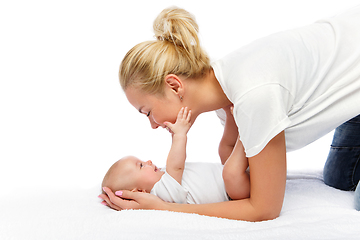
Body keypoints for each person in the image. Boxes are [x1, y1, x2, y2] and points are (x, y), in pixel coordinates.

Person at [100, 6, 360, 221]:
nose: (153, 125)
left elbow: (265, 208)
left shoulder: (252, 96)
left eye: (147, 112)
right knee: (340, 178)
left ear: (174, 86)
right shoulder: (229, 104)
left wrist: (163, 208)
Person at [101, 107, 250, 204]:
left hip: (231, 175)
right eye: (141, 165)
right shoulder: (160, 194)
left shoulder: (164, 178)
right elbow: (176, 165)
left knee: (224, 149)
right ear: (139, 191)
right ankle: (247, 130)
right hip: (235, 191)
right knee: (231, 173)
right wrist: (179, 135)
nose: (148, 161)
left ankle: (231, 117)